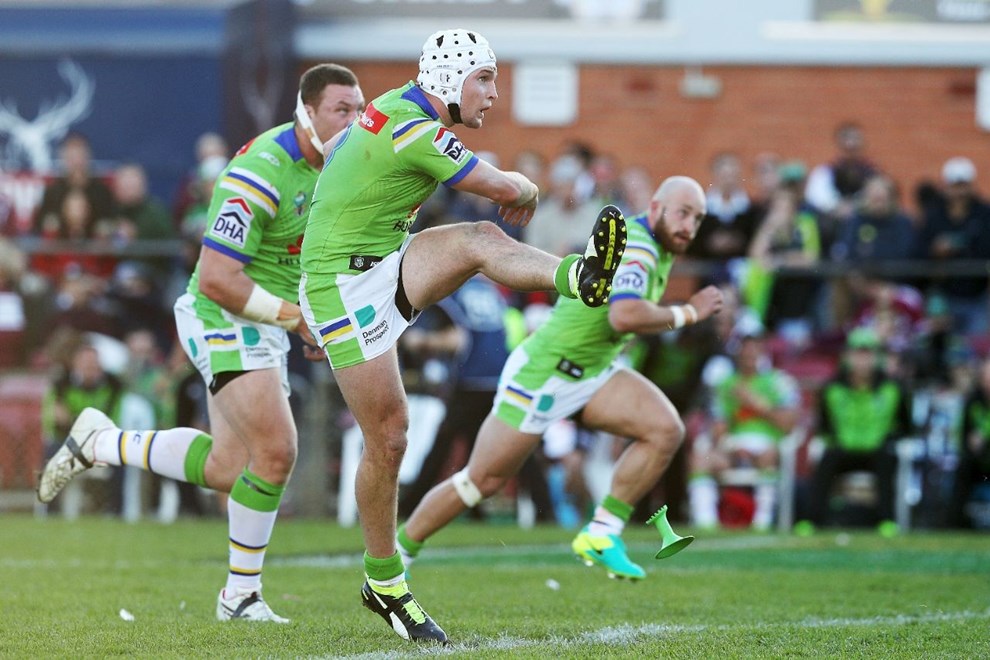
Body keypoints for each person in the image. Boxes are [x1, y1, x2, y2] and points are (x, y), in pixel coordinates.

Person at [299, 28, 628, 645]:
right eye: (485, 79)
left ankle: (580, 276)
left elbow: (345, 154)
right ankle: (384, 583)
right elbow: (503, 187)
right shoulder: (412, 126)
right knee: (389, 437)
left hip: (381, 261)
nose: (494, 94)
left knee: (481, 240)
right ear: (450, 79)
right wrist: (528, 187)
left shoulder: (399, 108)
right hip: (338, 286)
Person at [37, 64, 366, 623]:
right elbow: (216, 279)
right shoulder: (261, 169)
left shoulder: (340, 168)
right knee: (277, 451)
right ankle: (240, 596)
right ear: (307, 112)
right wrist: (296, 320)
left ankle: (100, 442)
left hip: (266, 319)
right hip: (222, 313)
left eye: (360, 110)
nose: (355, 121)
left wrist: (307, 315)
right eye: (343, 110)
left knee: (225, 467)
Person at [397, 176, 722, 586]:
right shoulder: (639, 248)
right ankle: (399, 552)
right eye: (683, 213)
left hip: (591, 371)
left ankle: (602, 534)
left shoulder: (658, 245)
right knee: (481, 481)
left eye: (697, 218)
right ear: (655, 208)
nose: (689, 226)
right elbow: (625, 315)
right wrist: (688, 313)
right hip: (545, 374)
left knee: (665, 429)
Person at [687, 320, 801, 530]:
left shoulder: (779, 382)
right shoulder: (726, 385)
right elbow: (718, 428)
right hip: (733, 445)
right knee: (700, 458)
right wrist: (729, 443)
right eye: (745, 346)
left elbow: (788, 425)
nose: (749, 352)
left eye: (755, 346)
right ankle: (705, 524)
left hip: (766, 445)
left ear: (763, 350)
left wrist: (757, 404)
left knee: (768, 455)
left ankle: (762, 522)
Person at [805, 327, 912, 532]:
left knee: (887, 459)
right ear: (847, 357)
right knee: (827, 459)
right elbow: (824, 425)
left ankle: (887, 521)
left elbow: (905, 426)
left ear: (877, 358)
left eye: (867, 355)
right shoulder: (832, 388)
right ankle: (812, 520)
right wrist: (832, 440)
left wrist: (890, 438)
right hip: (844, 449)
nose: (862, 361)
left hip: (877, 449)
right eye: (857, 355)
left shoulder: (893, 388)